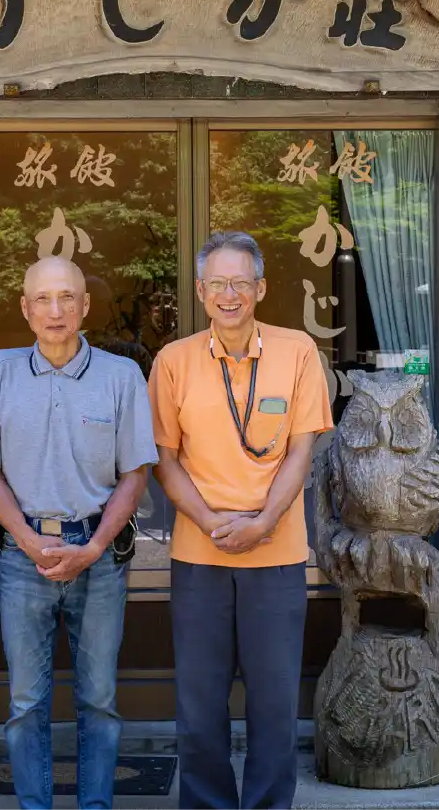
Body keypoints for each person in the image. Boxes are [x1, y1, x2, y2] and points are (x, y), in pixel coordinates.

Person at [0, 256, 158, 810]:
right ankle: (34, 805)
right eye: (42, 299)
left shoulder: (120, 377)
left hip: (99, 554)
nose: (55, 310)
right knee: (26, 702)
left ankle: (95, 805)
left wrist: (93, 547)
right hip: (26, 557)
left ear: (85, 306)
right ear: (25, 309)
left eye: (67, 297)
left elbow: (135, 473)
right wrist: (25, 538)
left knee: (98, 700)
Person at [149, 232, 333, 810]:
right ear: (202, 291)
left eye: (241, 283)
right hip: (198, 554)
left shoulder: (298, 350)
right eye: (218, 283)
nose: (230, 294)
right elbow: (164, 459)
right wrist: (208, 520)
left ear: (261, 288)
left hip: (276, 554)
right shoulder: (172, 361)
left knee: (275, 703)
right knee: (200, 703)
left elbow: (302, 451)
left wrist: (262, 523)